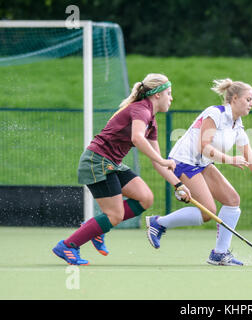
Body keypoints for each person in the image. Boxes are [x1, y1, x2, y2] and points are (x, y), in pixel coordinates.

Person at [146, 78, 252, 266]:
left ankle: (219, 253)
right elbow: (203, 146)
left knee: (232, 200)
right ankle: (159, 223)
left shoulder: (237, 126)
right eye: (248, 99)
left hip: (202, 164)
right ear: (235, 98)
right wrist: (230, 159)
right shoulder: (215, 114)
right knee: (208, 212)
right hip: (183, 162)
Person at [52, 73, 191, 265]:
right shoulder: (141, 110)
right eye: (169, 93)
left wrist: (178, 185)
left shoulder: (151, 121)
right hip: (97, 162)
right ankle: (68, 245)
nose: (171, 98)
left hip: (112, 163)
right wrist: (162, 159)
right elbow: (137, 138)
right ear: (157, 95)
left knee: (145, 198)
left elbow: (157, 162)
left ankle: (97, 227)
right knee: (114, 215)